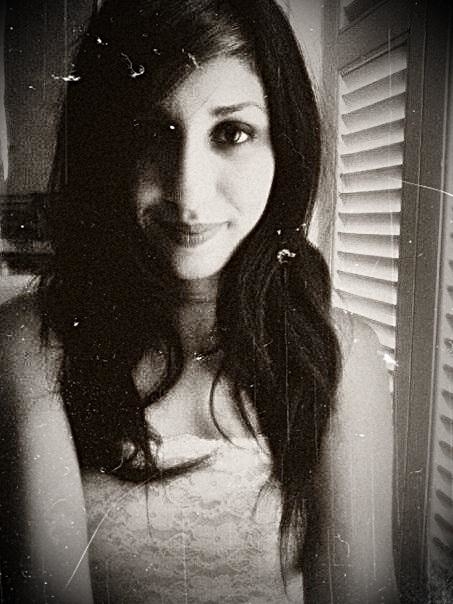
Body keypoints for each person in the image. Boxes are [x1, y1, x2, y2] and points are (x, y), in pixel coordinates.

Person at [0, 0, 397, 602]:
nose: (188, 192)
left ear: (284, 144)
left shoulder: (345, 355)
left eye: (231, 133)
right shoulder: (32, 344)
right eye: (151, 132)